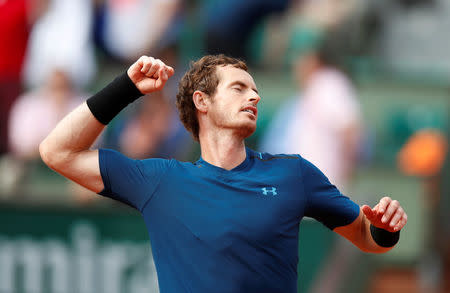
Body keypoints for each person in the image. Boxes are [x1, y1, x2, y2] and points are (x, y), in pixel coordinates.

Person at [40, 55, 408, 293]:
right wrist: (125, 88)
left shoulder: (293, 174)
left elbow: (364, 235)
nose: (255, 97)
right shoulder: (160, 181)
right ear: (202, 101)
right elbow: (57, 151)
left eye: (255, 89)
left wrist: (386, 229)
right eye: (239, 88)